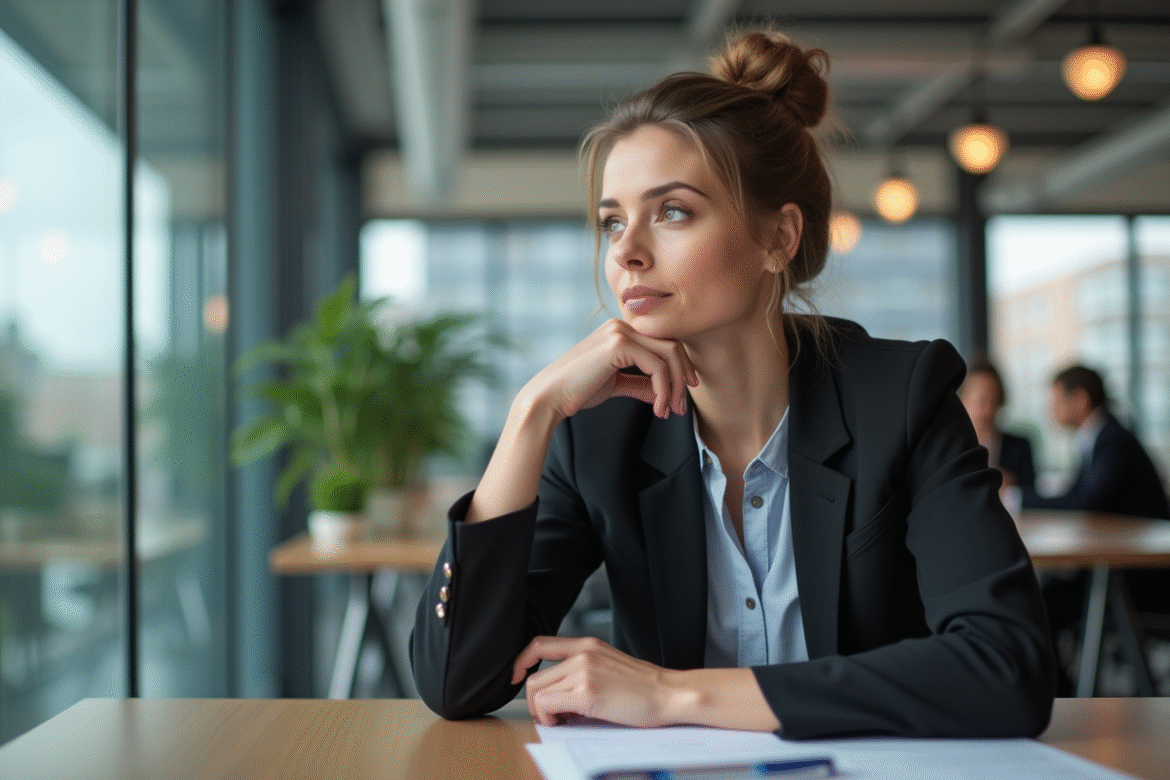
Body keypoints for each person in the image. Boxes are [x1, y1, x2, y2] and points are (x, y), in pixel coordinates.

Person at [410, 29, 1055, 740]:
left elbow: (1008, 666)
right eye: (611, 222)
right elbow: (455, 681)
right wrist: (530, 415)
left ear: (778, 238)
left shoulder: (899, 398)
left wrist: (675, 696)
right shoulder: (596, 433)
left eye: (673, 211)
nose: (625, 251)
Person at [1020, 365, 1169, 519]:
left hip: (1148, 537)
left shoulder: (1113, 440)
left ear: (1080, 400)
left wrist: (1018, 499)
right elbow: (1077, 494)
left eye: (1057, 401)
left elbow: (1087, 502)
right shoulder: (1096, 436)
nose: (1050, 409)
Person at [959, 357, 1036, 491]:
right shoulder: (948, 448)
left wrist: (1013, 489)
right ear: (962, 401)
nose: (988, 410)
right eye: (981, 401)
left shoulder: (1020, 447)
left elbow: (1031, 495)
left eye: (994, 401)